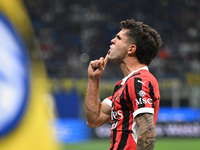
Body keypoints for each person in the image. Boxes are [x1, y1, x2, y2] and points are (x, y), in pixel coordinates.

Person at [85, 19, 162, 150]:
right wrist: (93, 79)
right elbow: (94, 119)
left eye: (118, 38)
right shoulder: (123, 85)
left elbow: (147, 132)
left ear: (131, 49)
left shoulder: (140, 81)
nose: (112, 41)